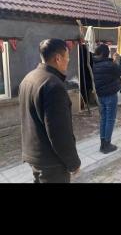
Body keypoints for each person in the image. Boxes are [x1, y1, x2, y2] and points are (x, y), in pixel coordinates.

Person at [19, 39, 81, 183]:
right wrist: (73, 163)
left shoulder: (28, 78)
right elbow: (59, 132)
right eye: (67, 57)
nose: (68, 61)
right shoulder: (53, 85)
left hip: (33, 154)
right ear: (58, 58)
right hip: (51, 161)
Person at [93, 43, 121, 154]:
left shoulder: (94, 64)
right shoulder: (109, 65)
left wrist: (113, 61)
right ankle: (107, 145)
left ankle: (102, 144)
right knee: (110, 119)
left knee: (103, 119)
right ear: (105, 53)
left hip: (100, 96)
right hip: (110, 96)